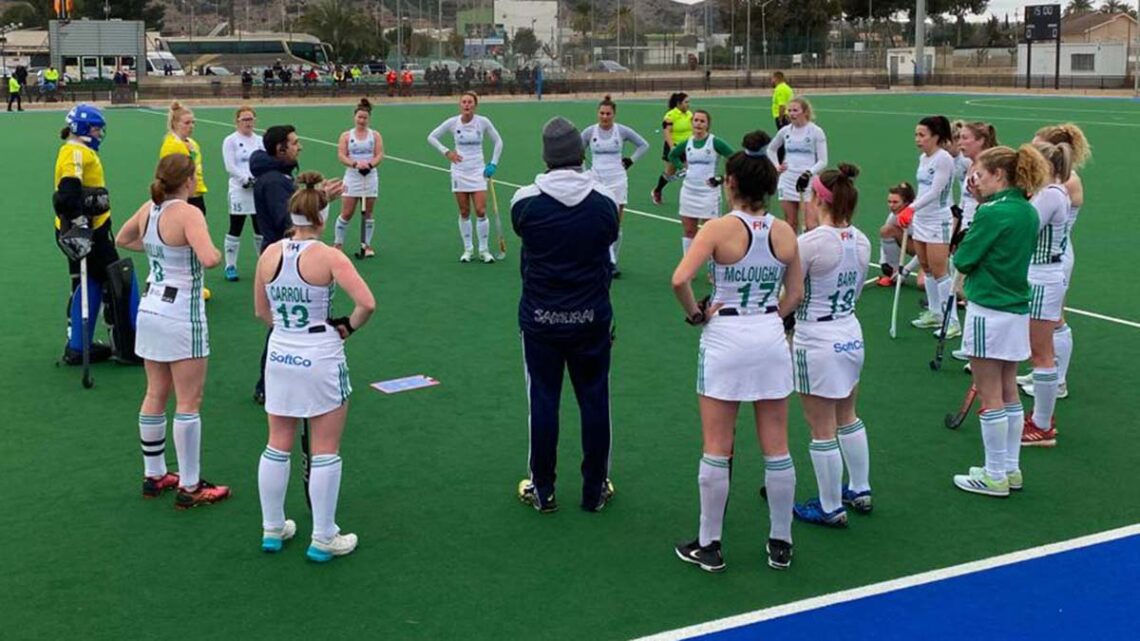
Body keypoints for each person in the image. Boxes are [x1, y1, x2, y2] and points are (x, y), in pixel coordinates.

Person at [671, 130, 803, 573]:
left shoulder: (717, 228)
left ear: (731, 183)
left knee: (717, 444)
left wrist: (696, 314)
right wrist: (770, 315)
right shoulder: (784, 231)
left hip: (725, 337)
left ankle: (710, 544)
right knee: (777, 444)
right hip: (769, 335)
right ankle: (781, 541)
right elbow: (795, 294)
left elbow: (679, 280)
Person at [255, 171, 375, 562]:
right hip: (319, 354)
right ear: (322, 218)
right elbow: (366, 304)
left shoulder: (269, 254)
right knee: (325, 448)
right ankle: (324, 536)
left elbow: (261, 312)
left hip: (280, 353)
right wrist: (346, 328)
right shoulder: (329, 256)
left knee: (277, 441)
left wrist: (287, 329)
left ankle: (272, 527)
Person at [510, 117, 619, 514]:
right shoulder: (605, 201)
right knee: (595, 400)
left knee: (543, 401)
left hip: (541, 319)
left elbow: (525, 237)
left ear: (546, 156)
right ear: (580, 153)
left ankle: (543, 490)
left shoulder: (524, 202)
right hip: (591, 316)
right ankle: (594, 489)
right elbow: (609, 238)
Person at [115, 154, 230, 509]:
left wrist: (159, 251)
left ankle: (154, 475)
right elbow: (209, 258)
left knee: (155, 392)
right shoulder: (188, 213)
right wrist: (210, 251)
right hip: (181, 313)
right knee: (189, 400)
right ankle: (191, 485)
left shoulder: (149, 208)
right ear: (189, 180)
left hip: (150, 308)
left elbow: (123, 238)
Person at [951, 144, 1050, 498]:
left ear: (999, 175)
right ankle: (1010, 468)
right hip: (1016, 309)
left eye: (980, 174)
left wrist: (978, 209)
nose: (976, 180)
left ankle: (994, 475)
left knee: (990, 393)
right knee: (1009, 391)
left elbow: (964, 258)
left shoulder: (992, 212)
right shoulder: (1027, 210)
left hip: (988, 308)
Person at [790, 163, 873, 527]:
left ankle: (829, 506)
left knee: (821, 428)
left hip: (816, 338)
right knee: (848, 414)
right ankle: (860, 488)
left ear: (818, 199)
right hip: (849, 332)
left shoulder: (809, 243)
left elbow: (792, 294)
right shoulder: (862, 240)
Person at [248, 125, 344, 404]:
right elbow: (289, 223)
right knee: (283, 323)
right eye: (294, 143)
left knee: (283, 321)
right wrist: (321, 201)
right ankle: (267, 383)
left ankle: (274, 381)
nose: (299, 147)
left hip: (281, 255)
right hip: (284, 258)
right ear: (280, 149)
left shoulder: (276, 176)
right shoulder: (275, 181)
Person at [54, 104, 137, 365]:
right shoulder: (75, 152)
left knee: (87, 281)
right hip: (89, 232)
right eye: (95, 129)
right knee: (118, 277)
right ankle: (130, 344)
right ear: (81, 128)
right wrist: (79, 222)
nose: (99, 133)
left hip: (83, 230)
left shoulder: (77, 150)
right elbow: (67, 194)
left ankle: (78, 346)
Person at [1017, 123, 1090, 400]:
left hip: (1054, 255)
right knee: (1043, 320)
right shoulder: (1051, 184)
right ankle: (1044, 372)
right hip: (1044, 253)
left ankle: (1056, 378)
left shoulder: (1063, 184)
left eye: (1038, 148)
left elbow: (1032, 221)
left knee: (1054, 319)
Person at [1019, 142, 1073, 448]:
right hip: (1042, 275)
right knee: (1040, 351)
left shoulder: (1050, 194)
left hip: (1042, 277)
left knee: (1041, 353)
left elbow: (1025, 228)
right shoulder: (1051, 192)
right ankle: (1041, 420)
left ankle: (1042, 425)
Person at [427, 91, 504, 263]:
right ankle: (468, 249)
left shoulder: (483, 122)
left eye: (470, 102)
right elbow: (431, 137)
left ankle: (484, 250)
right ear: (460, 105)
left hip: (478, 171)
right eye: (464, 102)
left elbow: (499, 141)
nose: (467, 105)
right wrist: (447, 152)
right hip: (459, 171)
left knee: (481, 210)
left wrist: (493, 163)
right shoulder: (453, 122)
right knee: (464, 211)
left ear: (475, 105)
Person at [899, 116, 957, 337]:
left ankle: (952, 321)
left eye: (922, 135)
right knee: (926, 266)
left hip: (938, 220)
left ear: (936, 136)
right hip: (921, 218)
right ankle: (935, 313)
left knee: (940, 271)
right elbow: (923, 190)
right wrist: (913, 212)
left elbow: (935, 192)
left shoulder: (944, 159)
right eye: (916, 134)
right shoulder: (923, 158)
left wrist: (910, 208)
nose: (917, 139)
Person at [580, 95, 649, 276]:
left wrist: (630, 160)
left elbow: (643, 145)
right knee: (597, 220)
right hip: (596, 180)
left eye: (608, 114)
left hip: (617, 179)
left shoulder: (622, 131)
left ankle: (612, 261)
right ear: (597, 113)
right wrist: (585, 172)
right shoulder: (590, 132)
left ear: (614, 114)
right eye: (602, 113)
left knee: (614, 222)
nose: (604, 117)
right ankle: (600, 258)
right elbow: (577, 151)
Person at [159, 100, 211, 299]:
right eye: (187, 123)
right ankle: (183, 284)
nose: (191, 126)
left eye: (193, 122)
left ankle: (196, 283)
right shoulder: (172, 145)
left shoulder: (192, 144)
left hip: (196, 195)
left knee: (196, 242)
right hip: (182, 198)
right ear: (175, 124)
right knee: (183, 243)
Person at [669, 109, 734, 254]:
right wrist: (682, 168)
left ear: (708, 125)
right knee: (689, 231)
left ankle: (713, 265)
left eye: (702, 121)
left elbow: (735, 158)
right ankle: (688, 264)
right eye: (696, 120)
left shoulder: (715, 142)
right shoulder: (687, 143)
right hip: (689, 191)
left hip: (708, 193)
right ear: (692, 123)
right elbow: (672, 155)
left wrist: (722, 177)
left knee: (711, 232)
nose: (698, 124)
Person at [765, 97, 828, 232]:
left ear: (805, 112)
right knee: (790, 223)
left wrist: (808, 173)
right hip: (787, 180)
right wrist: (776, 166)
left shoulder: (816, 131)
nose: (792, 114)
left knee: (811, 225)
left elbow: (823, 161)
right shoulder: (785, 131)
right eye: (789, 111)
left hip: (808, 180)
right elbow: (771, 149)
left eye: (795, 110)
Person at [334, 98, 384, 257]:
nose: (362, 120)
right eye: (359, 117)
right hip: (352, 177)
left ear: (369, 119)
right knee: (347, 213)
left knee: (368, 213)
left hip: (370, 177)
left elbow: (379, 155)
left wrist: (370, 165)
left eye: (365, 118)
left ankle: (366, 245)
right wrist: (355, 164)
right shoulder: (346, 136)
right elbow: (341, 155)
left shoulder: (375, 135)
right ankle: (338, 244)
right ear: (354, 117)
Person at [221, 105, 265, 281]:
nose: (248, 122)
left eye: (251, 119)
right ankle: (230, 265)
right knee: (236, 227)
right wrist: (245, 179)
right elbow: (230, 166)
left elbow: (265, 162)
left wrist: (260, 179)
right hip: (240, 189)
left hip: (258, 190)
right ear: (237, 121)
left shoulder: (260, 140)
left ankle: (263, 264)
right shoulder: (230, 140)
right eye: (244, 119)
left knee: (260, 228)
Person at [650, 92, 692, 205]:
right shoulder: (670, 115)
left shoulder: (689, 114)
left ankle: (690, 197)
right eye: (686, 102)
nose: (688, 104)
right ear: (679, 103)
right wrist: (672, 147)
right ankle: (657, 190)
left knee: (690, 171)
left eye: (688, 102)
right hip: (675, 147)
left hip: (688, 148)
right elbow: (667, 132)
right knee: (669, 173)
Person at [876, 182, 916, 287]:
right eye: (889, 202)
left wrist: (906, 270)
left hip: (928, 251)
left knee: (922, 284)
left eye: (895, 202)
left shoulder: (918, 218)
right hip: (913, 246)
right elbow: (884, 237)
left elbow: (924, 250)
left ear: (906, 203)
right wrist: (883, 261)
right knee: (886, 230)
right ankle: (894, 271)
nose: (891, 206)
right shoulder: (893, 216)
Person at [771, 71, 793, 163]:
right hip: (787, 116)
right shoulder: (787, 88)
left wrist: (780, 119)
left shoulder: (780, 89)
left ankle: (779, 160)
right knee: (785, 138)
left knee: (782, 139)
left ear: (776, 78)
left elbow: (782, 105)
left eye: (772, 78)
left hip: (783, 117)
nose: (771, 81)